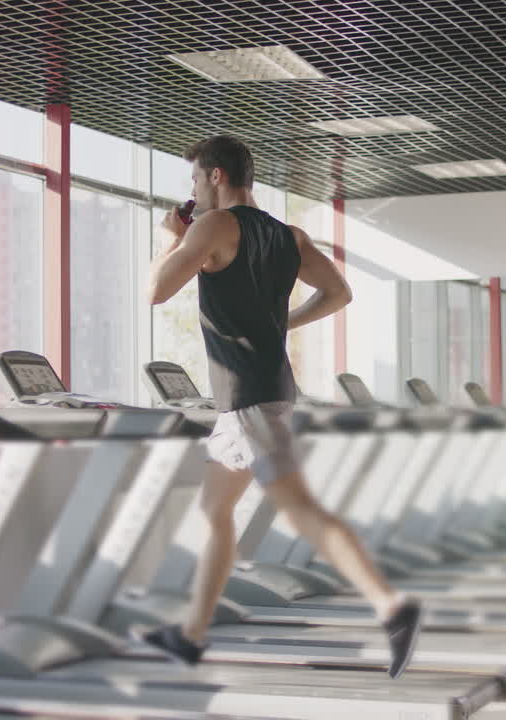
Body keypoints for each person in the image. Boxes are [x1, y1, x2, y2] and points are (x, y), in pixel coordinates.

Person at [139, 135, 421, 678]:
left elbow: (155, 291)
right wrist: (281, 323)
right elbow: (338, 293)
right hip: (263, 392)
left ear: (216, 176)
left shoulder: (212, 227)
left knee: (299, 510)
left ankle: (391, 606)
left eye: (195, 178)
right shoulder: (287, 235)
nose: (193, 189)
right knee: (215, 510)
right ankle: (191, 635)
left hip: (248, 396)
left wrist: (168, 240)